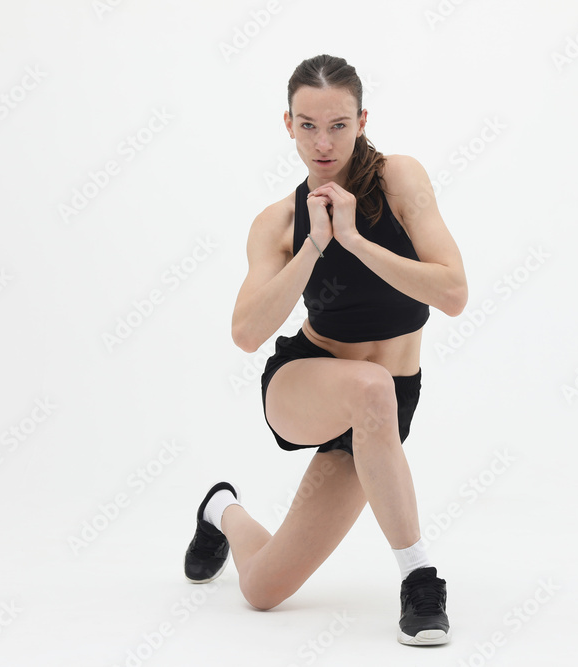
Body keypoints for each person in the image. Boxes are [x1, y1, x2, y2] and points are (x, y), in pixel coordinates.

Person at [182, 53, 468, 646]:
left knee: (262, 589)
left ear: (362, 120)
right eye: (307, 125)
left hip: (383, 412)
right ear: (288, 124)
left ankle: (220, 511)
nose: (323, 141)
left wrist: (354, 240)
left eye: (338, 124)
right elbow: (246, 332)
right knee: (368, 385)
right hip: (305, 382)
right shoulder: (279, 223)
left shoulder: (399, 180)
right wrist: (313, 247)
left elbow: (453, 291)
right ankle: (420, 579)